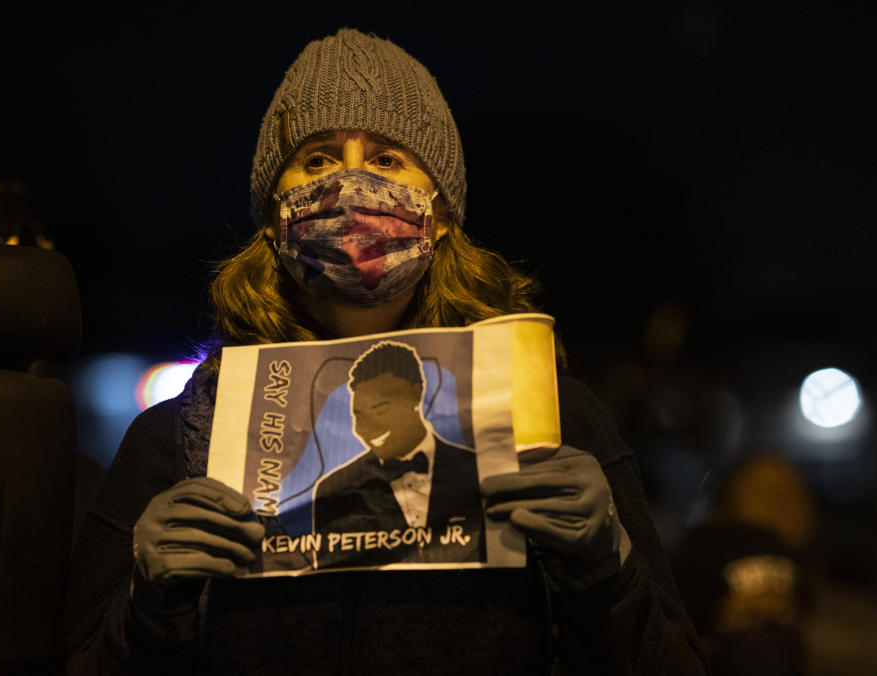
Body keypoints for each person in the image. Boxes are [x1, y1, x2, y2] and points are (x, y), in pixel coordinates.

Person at [64, 28, 707, 674]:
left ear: (442, 211)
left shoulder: (551, 423)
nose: (349, 184)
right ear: (271, 214)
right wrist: (149, 604)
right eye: (315, 160)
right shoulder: (176, 440)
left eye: (386, 160)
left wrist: (607, 566)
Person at [312, 340, 485, 567]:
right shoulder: (333, 489)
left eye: (380, 408)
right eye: (359, 416)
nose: (364, 429)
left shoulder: (476, 469)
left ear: (416, 395)